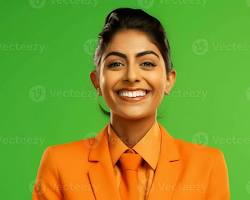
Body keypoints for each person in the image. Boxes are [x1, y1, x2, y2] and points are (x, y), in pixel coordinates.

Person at [32, 8, 230, 200]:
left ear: (169, 80)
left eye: (147, 63)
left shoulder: (208, 165)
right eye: (116, 64)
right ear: (97, 82)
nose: (132, 76)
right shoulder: (59, 163)